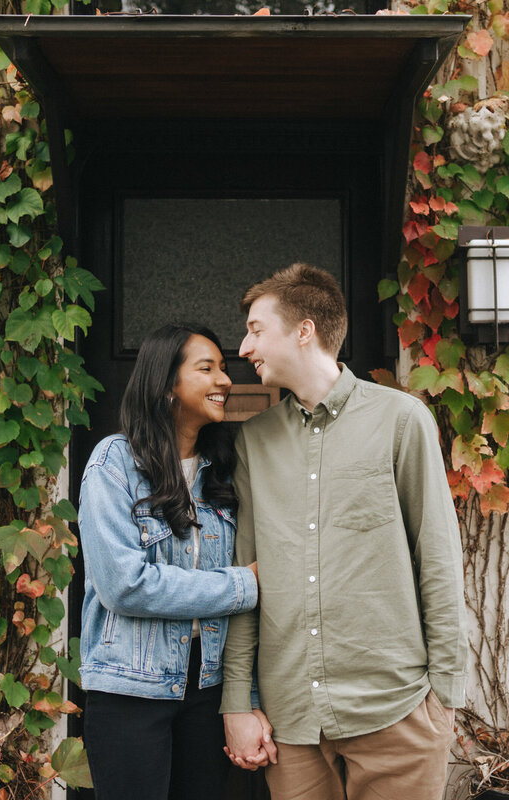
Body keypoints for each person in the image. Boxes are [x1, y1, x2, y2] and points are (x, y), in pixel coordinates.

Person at [220, 264, 466, 800]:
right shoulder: (254, 440)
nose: (243, 347)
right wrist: (238, 700)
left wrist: (444, 698)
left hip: (396, 711)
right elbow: (246, 578)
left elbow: (439, 557)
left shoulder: (403, 420)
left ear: (304, 330)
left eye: (257, 329)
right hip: (293, 725)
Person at [77, 322, 260, 800]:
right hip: (129, 690)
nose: (225, 380)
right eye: (208, 368)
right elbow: (125, 585)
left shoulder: (223, 472)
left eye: (225, 369)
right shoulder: (113, 463)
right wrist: (242, 586)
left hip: (208, 686)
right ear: (165, 385)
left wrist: (249, 698)